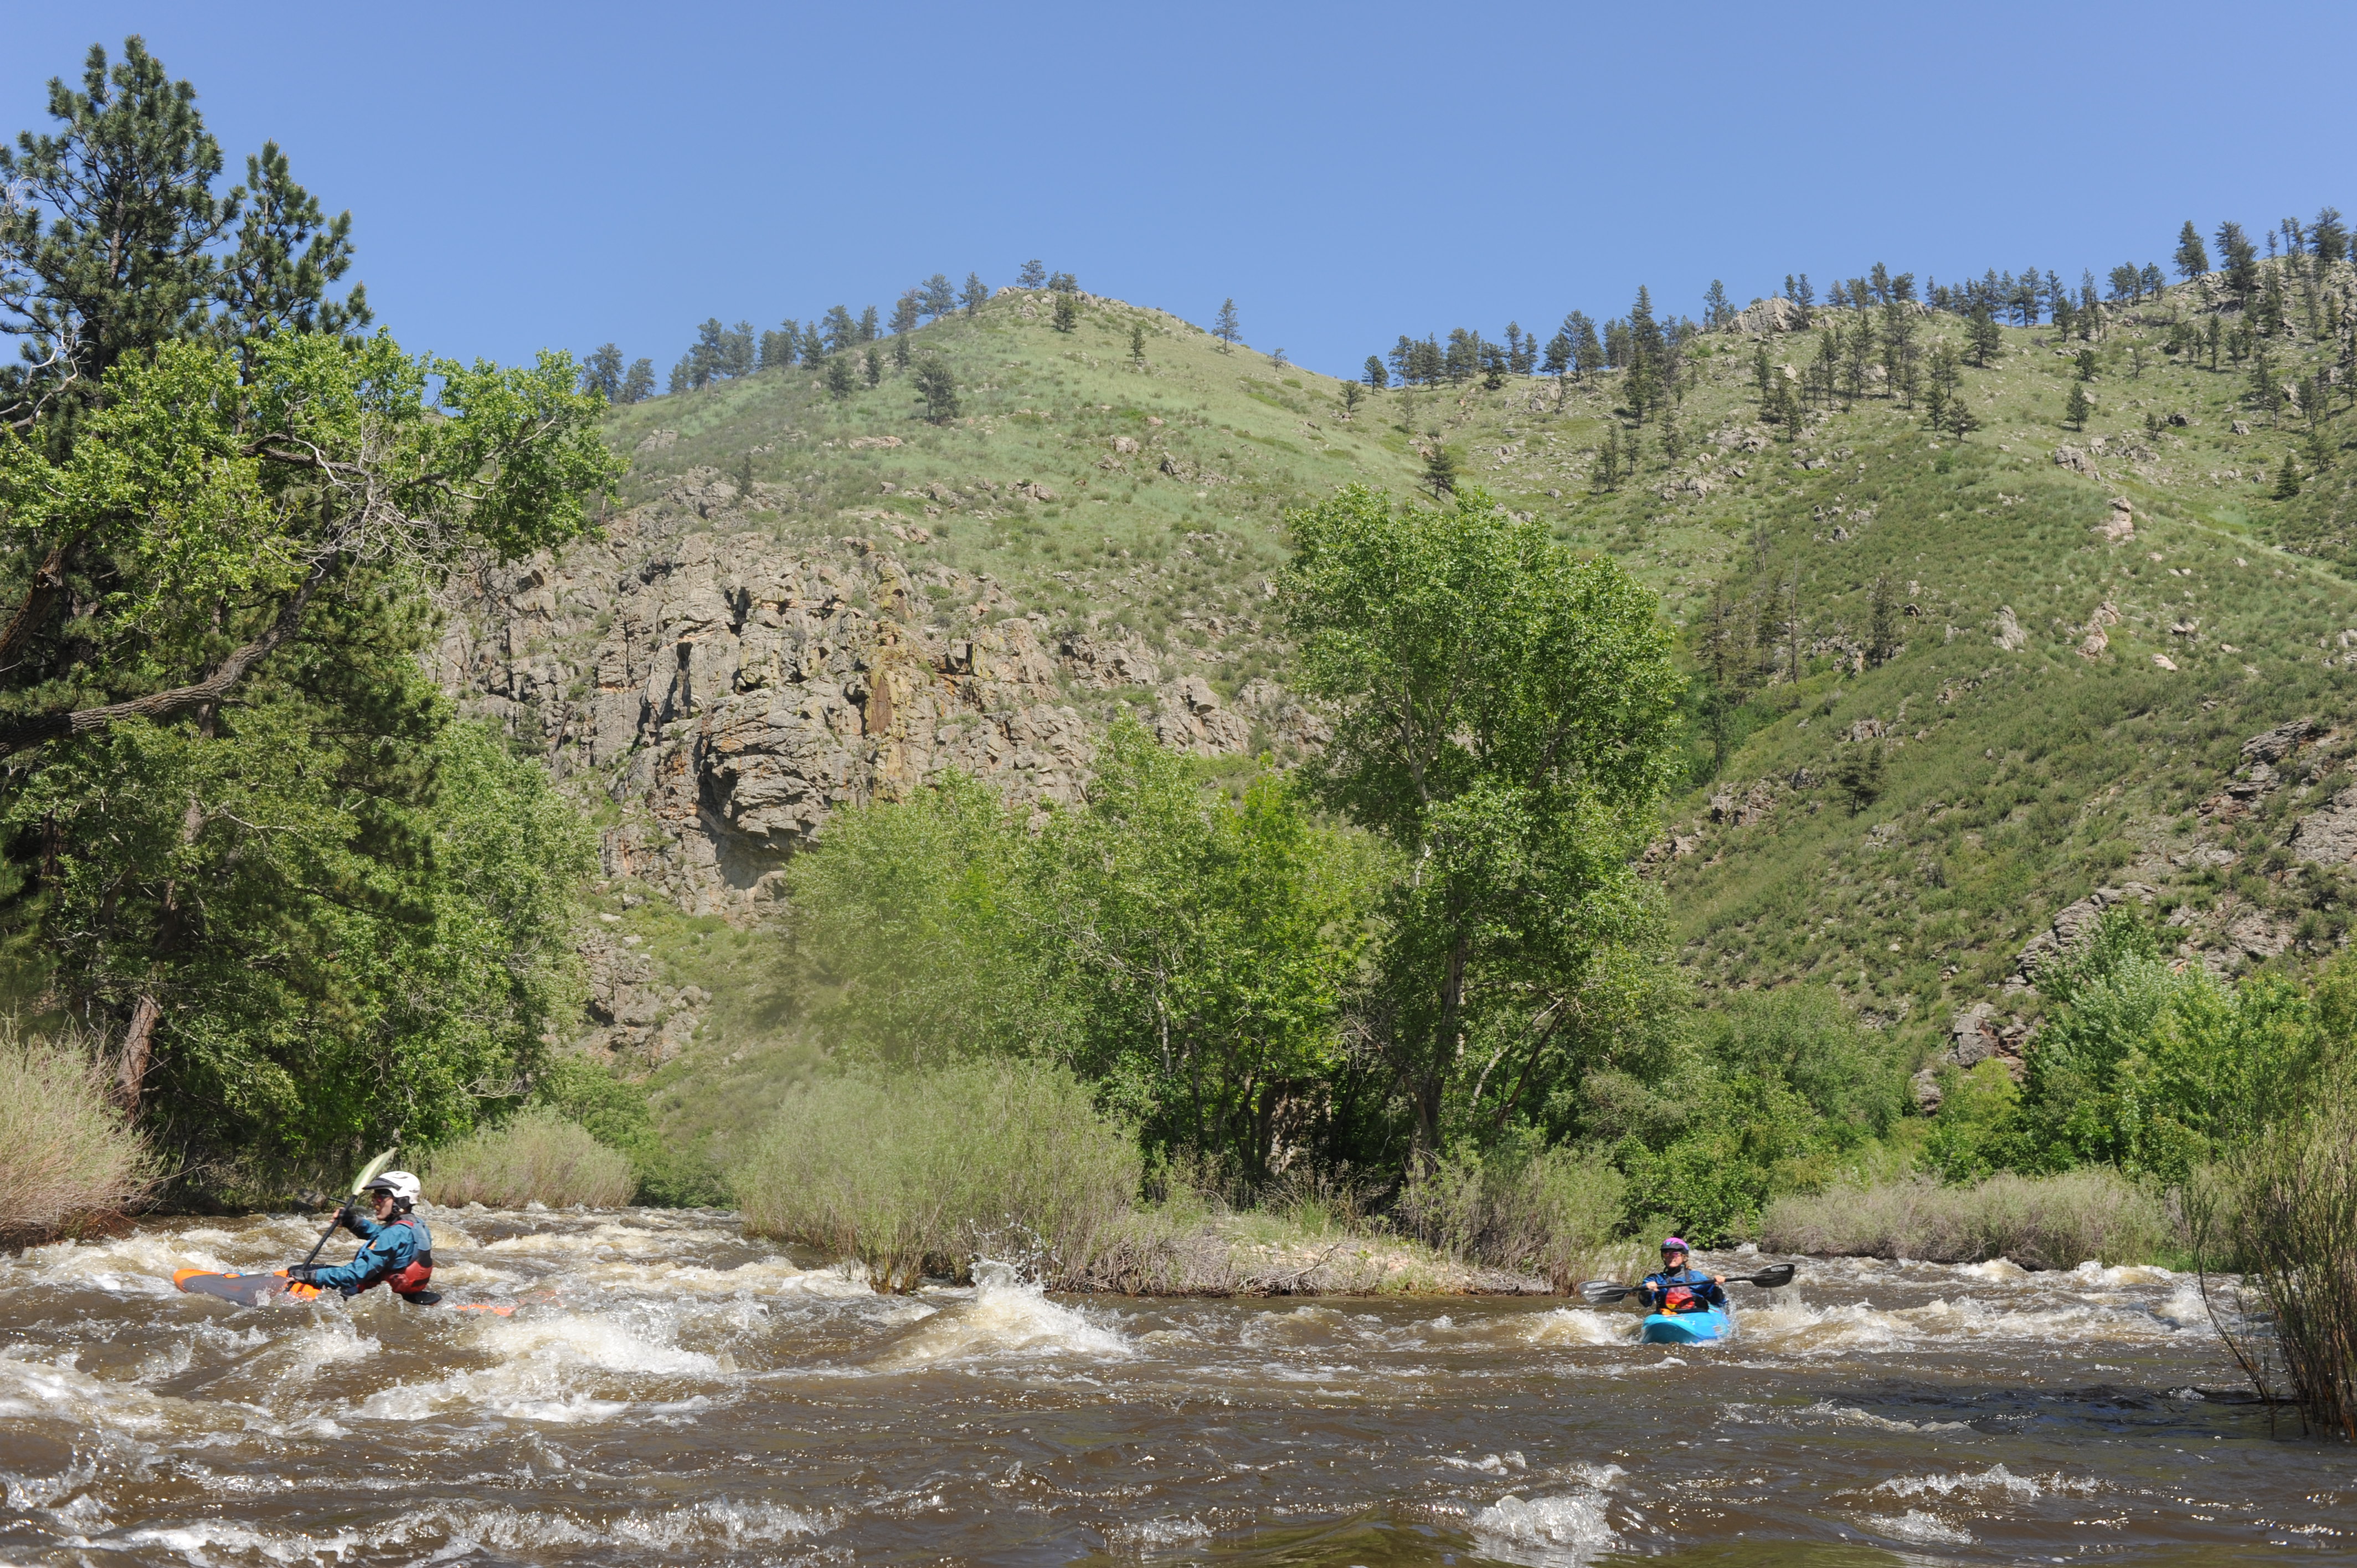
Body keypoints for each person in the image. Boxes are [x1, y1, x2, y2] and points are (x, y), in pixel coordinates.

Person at [288, 1170, 437, 1304]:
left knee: (297, 1271)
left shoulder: (394, 1233)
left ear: (402, 1201)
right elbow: (384, 1238)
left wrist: (311, 1277)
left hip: (370, 1293)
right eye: (374, 1197)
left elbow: (355, 1275)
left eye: (380, 1198)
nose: (374, 1202)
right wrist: (353, 1222)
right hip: (404, 1292)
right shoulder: (416, 1225)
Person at [1638, 1237, 1726, 1316]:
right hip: (1667, 1316)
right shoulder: (1655, 1279)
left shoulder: (1697, 1277)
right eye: (1666, 1254)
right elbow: (1646, 1303)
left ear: (1684, 1257)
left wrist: (1716, 1287)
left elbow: (1718, 1303)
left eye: (1675, 1253)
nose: (1671, 1257)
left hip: (1697, 1316)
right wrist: (1647, 1290)